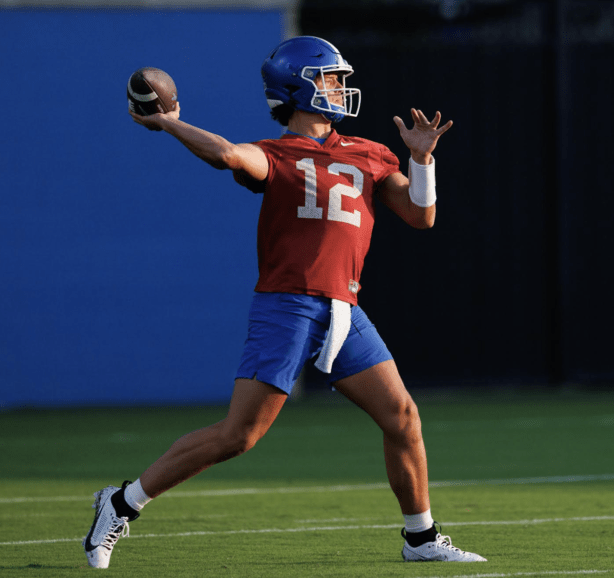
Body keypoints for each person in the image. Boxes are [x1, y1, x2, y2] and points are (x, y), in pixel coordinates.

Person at [84, 35, 486, 569]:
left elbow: (421, 216)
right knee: (239, 435)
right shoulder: (275, 154)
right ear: (300, 87)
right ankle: (120, 503)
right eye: (329, 78)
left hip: (345, 308)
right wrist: (169, 122)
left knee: (402, 416)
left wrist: (421, 160)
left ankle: (421, 537)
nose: (340, 88)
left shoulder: (367, 153)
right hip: (288, 306)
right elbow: (227, 154)